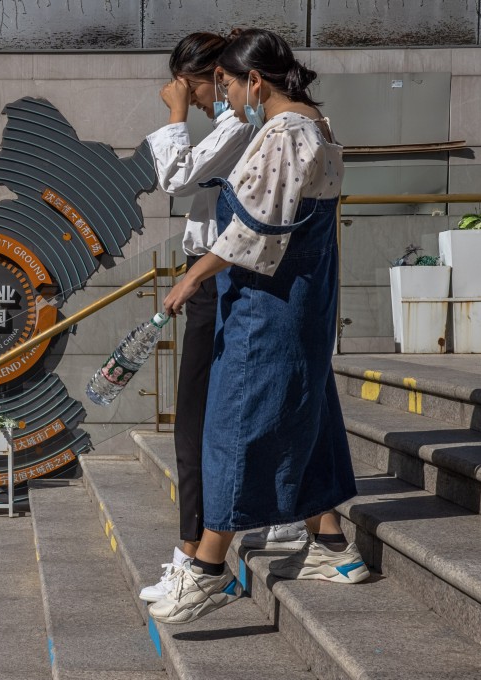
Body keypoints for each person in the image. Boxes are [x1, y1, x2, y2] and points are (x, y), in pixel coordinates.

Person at [150, 27, 370, 625]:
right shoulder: (319, 125)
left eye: (226, 85)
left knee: (234, 420)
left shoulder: (283, 131)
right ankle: (331, 549)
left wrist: (193, 276)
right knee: (308, 412)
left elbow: (257, 228)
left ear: (254, 79)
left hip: (266, 302)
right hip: (305, 293)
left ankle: (209, 571)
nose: (226, 100)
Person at [138, 31, 306, 606]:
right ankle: (209, 544)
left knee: (198, 420)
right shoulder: (253, 125)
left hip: (219, 274)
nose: (211, 99)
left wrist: (176, 115)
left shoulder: (245, 127)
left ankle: (197, 552)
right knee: (205, 418)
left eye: (207, 87)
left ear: (236, 76)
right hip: (212, 272)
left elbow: (174, 178)